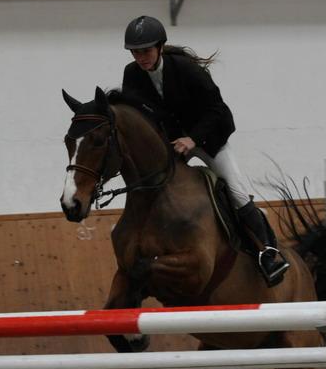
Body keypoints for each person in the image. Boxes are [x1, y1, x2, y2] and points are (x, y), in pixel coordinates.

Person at [120, 15, 289, 286]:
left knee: (236, 191)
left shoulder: (186, 69)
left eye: (146, 51)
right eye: (135, 52)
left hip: (209, 139)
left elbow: (218, 110)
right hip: (173, 145)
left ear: (160, 47)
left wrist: (193, 139)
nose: (141, 58)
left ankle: (269, 254)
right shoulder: (132, 75)